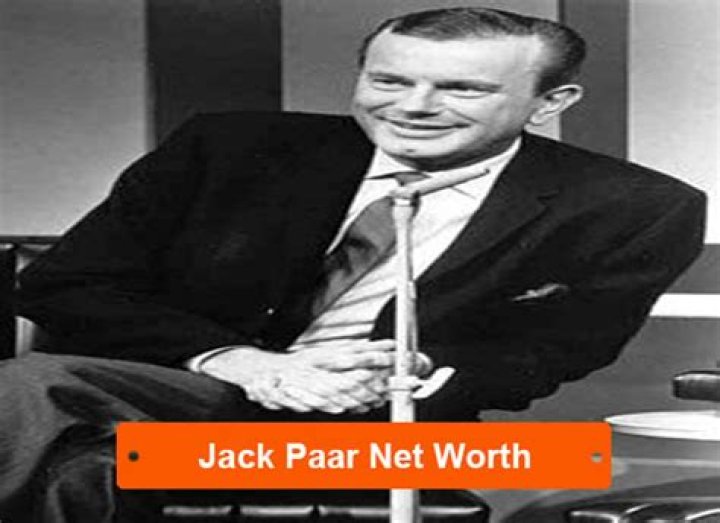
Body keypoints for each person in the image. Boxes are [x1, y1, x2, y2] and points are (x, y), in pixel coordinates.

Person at [0, 6, 706, 522]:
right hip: (178, 393)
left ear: (551, 102)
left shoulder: (633, 206)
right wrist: (243, 362)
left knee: (82, 470)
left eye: (461, 89)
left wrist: (411, 367)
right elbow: (64, 286)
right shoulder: (228, 147)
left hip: (386, 428)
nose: (413, 107)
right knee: (34, 383)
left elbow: (555, 349)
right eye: (388, 80)